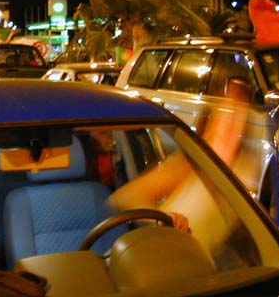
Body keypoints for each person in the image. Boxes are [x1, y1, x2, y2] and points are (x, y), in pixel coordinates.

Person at [108, 78, 251, 234]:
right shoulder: (188, 166)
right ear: (208, 129)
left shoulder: (243, 174)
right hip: (170, 245)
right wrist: (164, 218)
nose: (230, 134)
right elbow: (123, 198)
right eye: (224, 126)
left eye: (237, 123)